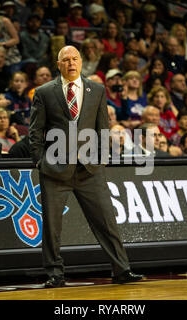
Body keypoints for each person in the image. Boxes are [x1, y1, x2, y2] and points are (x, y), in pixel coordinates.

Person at [28, 45, 143, 287]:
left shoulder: (97, 89)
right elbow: (35, 131)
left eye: (75, 58)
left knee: (106, 221)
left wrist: (101, 158)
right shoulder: (44, 92)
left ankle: (121, 269)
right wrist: (40, 161)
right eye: (66, 59)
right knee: (52, 226)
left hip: (90, 169)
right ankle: (54, 273)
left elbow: (103, 128)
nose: (71, 63)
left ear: (81, 63)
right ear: (58, 64)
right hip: (55, 170)